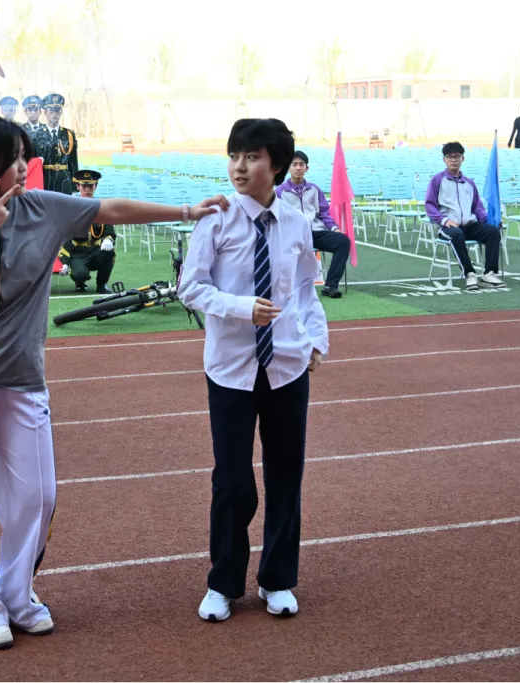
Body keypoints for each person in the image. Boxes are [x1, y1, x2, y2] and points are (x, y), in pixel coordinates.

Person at [0, 114, 226, 650]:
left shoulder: (42, 207)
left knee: (38, 495)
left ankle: (16, 591)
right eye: (15, 158)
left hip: (23, 376)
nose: (25, 166)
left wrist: (187, 211)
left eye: (25, 156)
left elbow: (111, 210)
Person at [177, 118, 328, 624]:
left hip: (287, 365)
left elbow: (304, 289)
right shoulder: (216, 219)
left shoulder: (296, 223)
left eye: (252, 157)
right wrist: (242, 308)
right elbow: (190, 288)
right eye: (235, 156)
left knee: (286, 475)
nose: (239, 167)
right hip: (231, 369)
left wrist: (316, 339)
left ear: (277, 165)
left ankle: (277, 578)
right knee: (232, 481)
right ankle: (223, 582)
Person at [424, 142, 505, 290]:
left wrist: (489, 220)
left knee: (493, 232)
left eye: (457, 156)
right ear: (444, 159)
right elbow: (430, 205)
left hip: (470, 225)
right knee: (457, 234)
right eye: (449, 156)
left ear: (462, 158)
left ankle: (489, 273)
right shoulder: (437, 180)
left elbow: (478, 207)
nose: (453, 160)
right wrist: (444, 220)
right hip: (448, 226)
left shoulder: (469, 183)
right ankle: (470, 274)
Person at [275, 150, 351, 298]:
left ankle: (330, 286)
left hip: (315, 232)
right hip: (293, 234)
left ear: (307, 168)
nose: (298, 168)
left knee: (343, 241)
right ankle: (286, 288)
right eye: (294, 165)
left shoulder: (314, 189)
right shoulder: (280, 192)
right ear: (288, 168)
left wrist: (334, 228)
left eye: (301, 164)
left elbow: (323, 213)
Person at [58, 169, 116, 293]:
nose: (87, 190)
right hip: (79, 252)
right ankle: (79, 282)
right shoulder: (71, 209)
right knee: (79, 274)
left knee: (109, 252)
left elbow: (109, 231)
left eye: (91, 186)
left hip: (97, 250)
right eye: (84, 186)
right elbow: (65, 237)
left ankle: (102, 284)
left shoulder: (102, 207)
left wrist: (107, 240)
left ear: (96, 187)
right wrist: (65, 262)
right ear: (78, 187)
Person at [40, 93, 78, 195]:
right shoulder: (37, 135)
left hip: (64, 182)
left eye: (57, 110)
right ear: (45, 112)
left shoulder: (69, 134)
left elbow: (73, 162)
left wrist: (74, 187)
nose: (54, 113)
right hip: (45, 182)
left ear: (61, 112)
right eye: (51, 110)